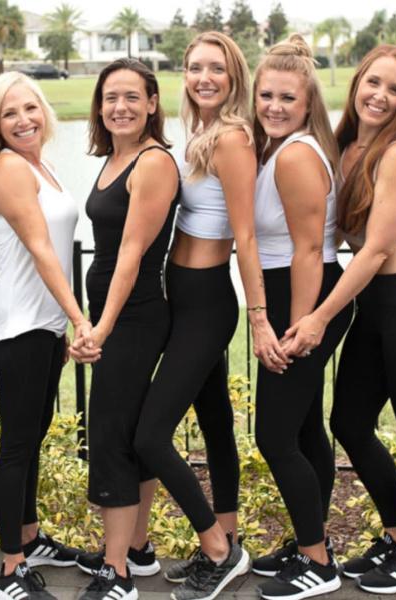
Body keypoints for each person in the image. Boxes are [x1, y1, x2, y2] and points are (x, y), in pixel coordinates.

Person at [283, 45, 396, 595]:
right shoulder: (345, 148)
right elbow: (322, 235)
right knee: (350, 424)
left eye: (395, 89)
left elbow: (376, 250)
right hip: (375, 310)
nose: (380, 96)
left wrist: (316, 319)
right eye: (373, 83)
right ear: (357, 84)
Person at [132, 31, 290, 600]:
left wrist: (261, 317)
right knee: (217, 423)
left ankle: (219, 550)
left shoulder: (231, 138)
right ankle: (227, 532)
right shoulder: (198, 134)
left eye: (215, 69)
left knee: (150, 435)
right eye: (195, 67)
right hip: (182, 294)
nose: (204, 77)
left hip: (206, 302)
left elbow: (245, 235)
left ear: (233, 78)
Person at [0, 71, 100, 600]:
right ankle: (10, 570)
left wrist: (66, 316)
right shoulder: (8, 166)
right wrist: (81, 317)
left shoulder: (40, 164)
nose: (23, 120)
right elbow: (43, 249)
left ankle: (29, 537)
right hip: (20, 322)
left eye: (29, 109)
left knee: (33, 435)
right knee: (18, 444)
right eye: (9, 113)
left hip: (44, 321)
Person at [246, 35, 352, 600]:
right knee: (306, 427)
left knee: (274, 433)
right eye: (266, 95)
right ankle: (312, 541)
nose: (275, 106)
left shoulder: (293, 155)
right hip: (300, 289)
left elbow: (310, 249)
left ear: (309, 104)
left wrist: (297, 325)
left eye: (288, 97)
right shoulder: (279, 148)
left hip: (305, 294)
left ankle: (316, 562)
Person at [71, 58, 180, 600]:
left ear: (153, 103)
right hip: (115, 313)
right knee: (127, 431)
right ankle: (135, 550)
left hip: (133, 316)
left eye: (132, 97)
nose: (121, 107)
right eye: (111, 97)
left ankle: (115, 574)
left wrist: (101, 328)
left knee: (112, 434)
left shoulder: (153, 162)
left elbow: (132, 253)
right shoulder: (114, 158)